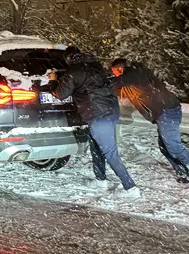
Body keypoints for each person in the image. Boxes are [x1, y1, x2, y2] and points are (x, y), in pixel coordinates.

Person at [46, 46, 139, 196]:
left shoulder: (73, 72)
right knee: (96, 147)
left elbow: (60, 94)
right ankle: (100, 180)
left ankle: (131, 188)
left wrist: (53, 81)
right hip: (110, 110)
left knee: (110, 153)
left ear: (68, 58)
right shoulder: (96, 66)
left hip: (98, 115)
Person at [110, 57, 189, 188]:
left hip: (166, 112)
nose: (114, 74)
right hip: (166, 111)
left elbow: (115, 83)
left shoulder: (132, 74)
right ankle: (183, 173)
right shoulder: (138, 74)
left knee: (175, 148)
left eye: (114, 71)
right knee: (164, 146)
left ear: (120, 69)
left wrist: (98, 83)